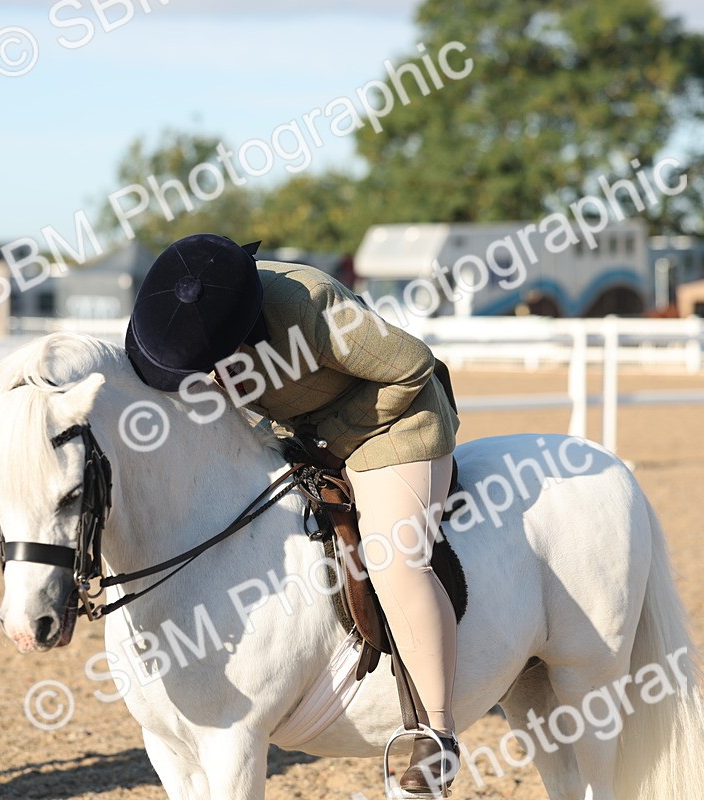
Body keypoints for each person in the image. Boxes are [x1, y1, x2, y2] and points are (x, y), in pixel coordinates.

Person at [124, 233, 462, 796]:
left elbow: (412, 368)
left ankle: (437, 731)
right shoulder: (175, 327)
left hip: (395, 426)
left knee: (394, 555)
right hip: (299, 435)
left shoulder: (312, 308)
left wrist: (326, 439)